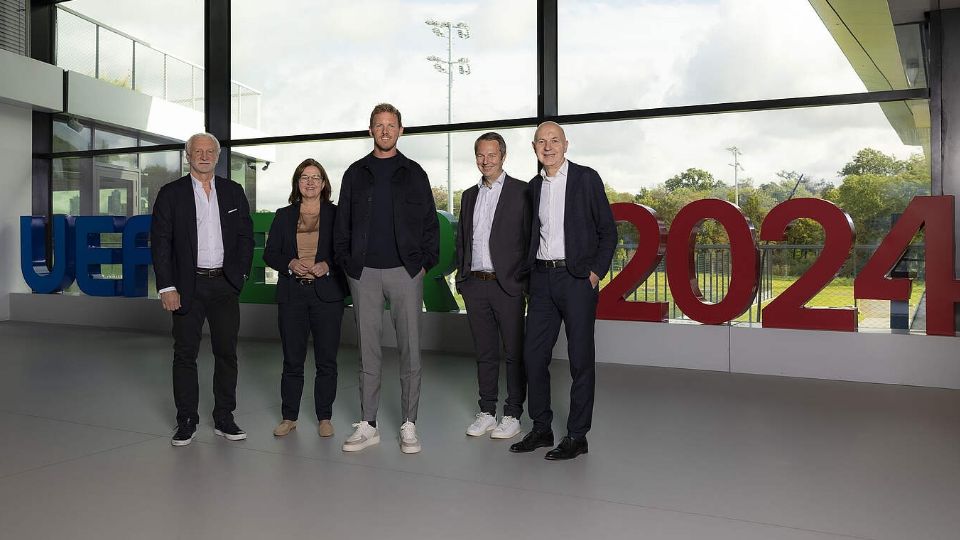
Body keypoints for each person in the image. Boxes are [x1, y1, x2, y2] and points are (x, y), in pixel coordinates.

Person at [333, 103, 438, 454]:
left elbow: (429, 224)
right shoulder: (355, 173)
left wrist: (423, 264)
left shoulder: (414, 172)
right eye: (379, 125)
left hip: (405, 272)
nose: (385, 130)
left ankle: (409, 423)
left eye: (391, 125)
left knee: (410, 351)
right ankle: (369, 424)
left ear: (401, 130)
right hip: (363, 274)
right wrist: (348, 264)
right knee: (368, 352)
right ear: (371, 130)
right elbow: (341, 224)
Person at [509, 121, 616, 460]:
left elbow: (608, 232)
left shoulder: (586, 179)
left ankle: (577, 436)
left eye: (554, 140)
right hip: (542, 280)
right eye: (542, 141)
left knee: (580, 359)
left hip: (576, 279)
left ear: (566, 144)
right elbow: (529, 237)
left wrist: (595, 272)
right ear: (534, 147)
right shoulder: (533, 188)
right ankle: (541, 429)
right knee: (533, 356)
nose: (548, 147)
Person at [151, 132, 254, 447]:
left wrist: (240, 277)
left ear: (218, 156)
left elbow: (245, 238)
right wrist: (167, 286)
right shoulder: (171, 194)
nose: (204, 156)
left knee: (227, 353)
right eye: (198, 151)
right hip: (187, 286)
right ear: (188, 155)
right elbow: (161, 243)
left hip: (224, 285)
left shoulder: (234, 192)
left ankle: (224, 417)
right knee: (185, 354)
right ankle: (187, 420)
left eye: (210, 151)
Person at [263, 158, 347, 439]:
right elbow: (270, 253)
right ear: (297, 184)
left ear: (324, 184)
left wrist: (328, 265)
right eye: (304, 177)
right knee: (292, 359)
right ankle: (290, 417)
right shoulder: (283, 215)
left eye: (315, 177)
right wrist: (289, 262)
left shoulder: (337, 215)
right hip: (292, 294)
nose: (310, 182)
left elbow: (346, 252)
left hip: (327, 295)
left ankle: (325, 417)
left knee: (326, 361)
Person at [455, 132, 531, 440]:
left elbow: (529, 241)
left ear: (503, 156)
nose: (486, 161)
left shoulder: (522, 192)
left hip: (507, 286)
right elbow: (463, 240)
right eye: (480, 155)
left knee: (514, 353)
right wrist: (462, 279)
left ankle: (513, 413)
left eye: (492, 155)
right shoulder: (469, 196)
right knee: (484, 352)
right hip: (476, 285)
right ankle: (487, 411)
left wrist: (523, 282)